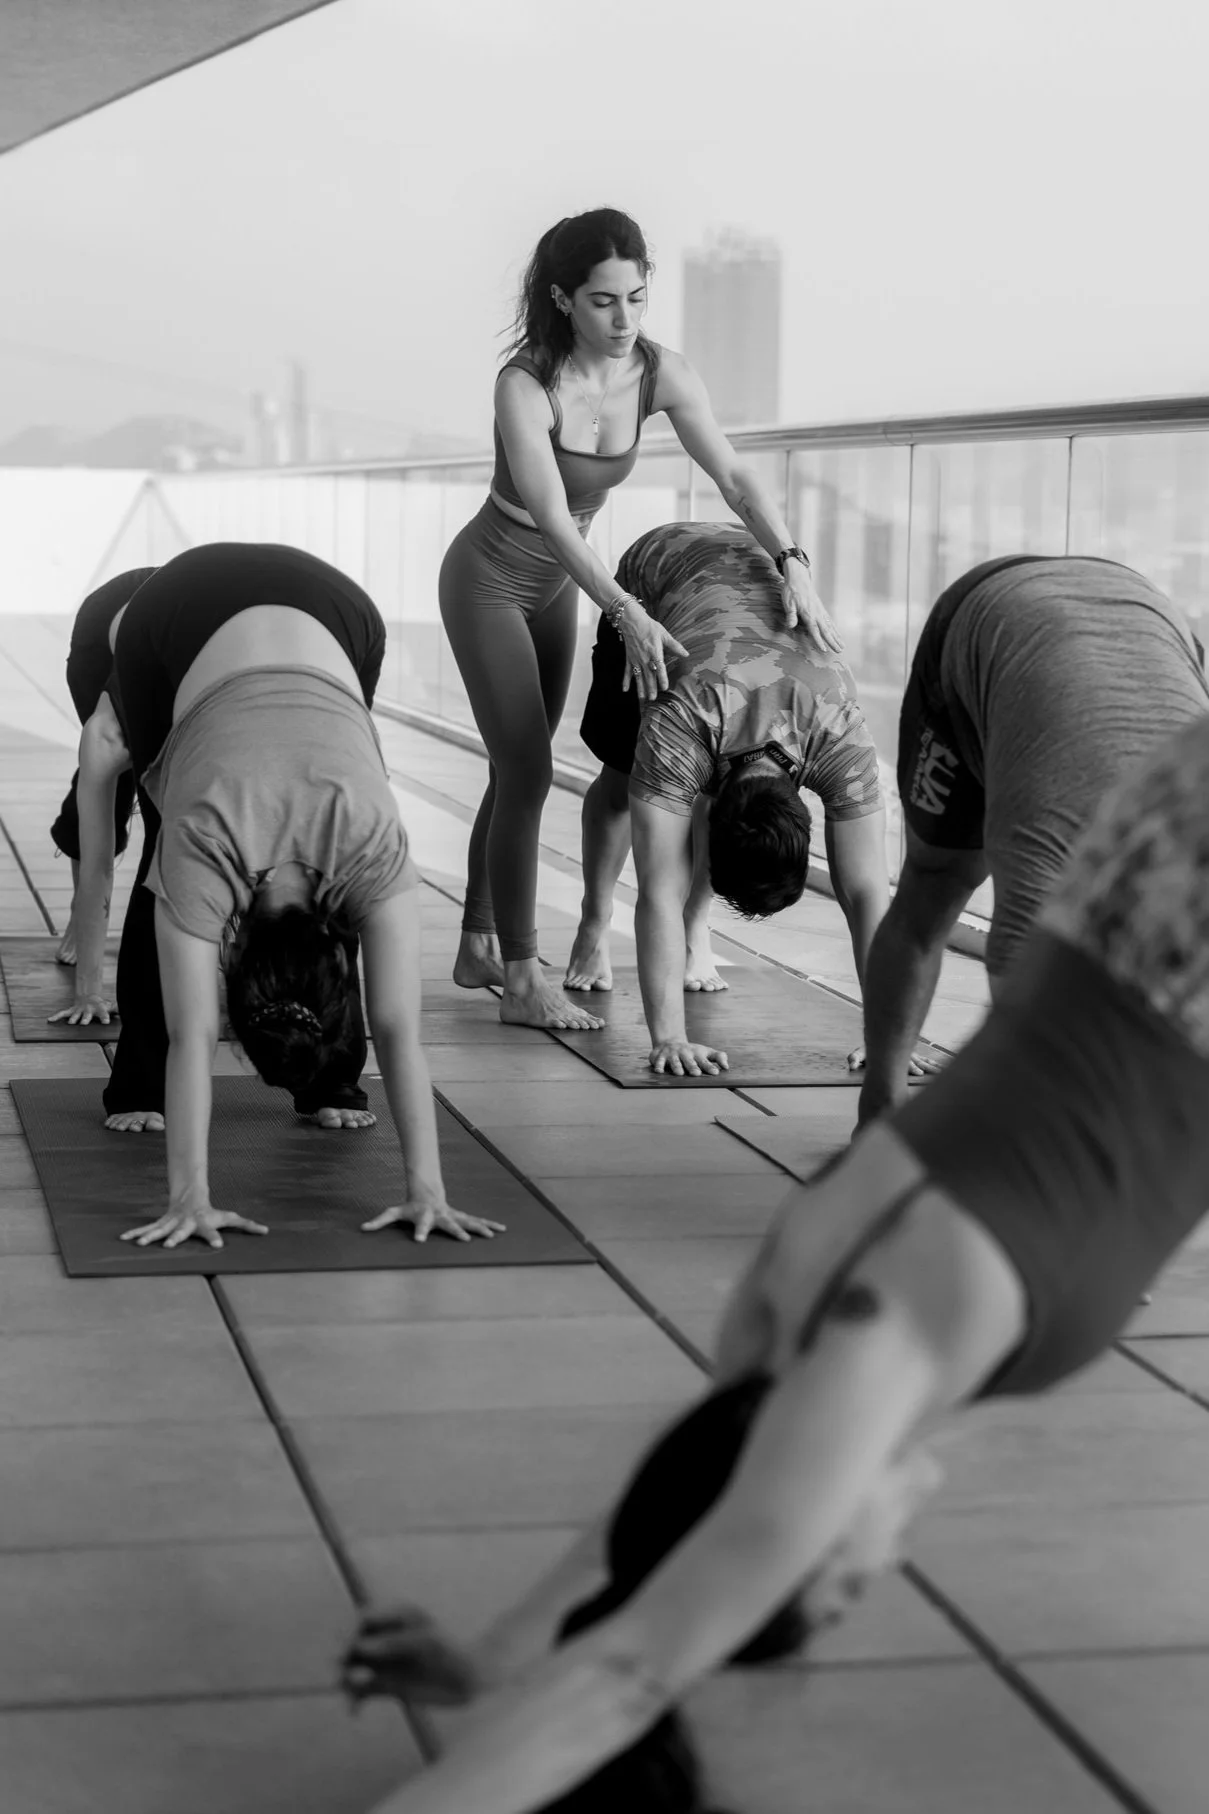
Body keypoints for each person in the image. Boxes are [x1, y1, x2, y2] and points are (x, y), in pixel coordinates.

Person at [339, 710, 1209, 1813]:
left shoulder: (876, 1349)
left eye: (835, 1587)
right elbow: (669, 1517)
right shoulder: (782, 1303)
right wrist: (489, 1658)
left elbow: (634, 1661)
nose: (877, 1570)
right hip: (1143, 866)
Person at [440, 207, 840, 1035]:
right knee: (525, 772)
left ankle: (479, 942)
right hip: (489, 578)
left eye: (636, 298)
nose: (624, 322)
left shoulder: (660, 372)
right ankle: (518, 975)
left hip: (559, 586)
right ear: (561, 300)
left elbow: (731, 474)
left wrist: (791, 559)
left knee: (518, 768)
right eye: (601, 302)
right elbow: (549, 512)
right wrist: (622, 609)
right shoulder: (525, 383)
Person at [99, 541, 501, 1251]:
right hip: (188, 607)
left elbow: (201, 1035)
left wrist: (192, 1202)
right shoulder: (221, 844)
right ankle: (133, 1080)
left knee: (176, 861)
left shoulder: (367, 845)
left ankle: (329, 1084)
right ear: (235, 950)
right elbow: (398, 1030)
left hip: (333, 613)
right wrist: (424, 1194)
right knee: (164, 824)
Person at [857, 552, 1208, 1127]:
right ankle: (879, 1105)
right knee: (937, 883)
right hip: (989, 610)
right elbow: (1030, 1081)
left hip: (1148, 614)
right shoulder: (1046, 869)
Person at [565, 520, 922, 1080]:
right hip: (657, 573)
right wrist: (670, 1039)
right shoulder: (679, 725)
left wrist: (888, 1037)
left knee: (668, 812)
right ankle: (591, 921)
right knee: (618, 784)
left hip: (757, 561)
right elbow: (658, 889)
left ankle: (697, 927)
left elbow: (868, 893)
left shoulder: (840, 735)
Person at [46, 567, 156, 1009]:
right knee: (108, 783)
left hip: (179, 616)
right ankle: (79, 916)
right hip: (104, 627)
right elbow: (100, 867)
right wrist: (89, 989)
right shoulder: (111, 733)